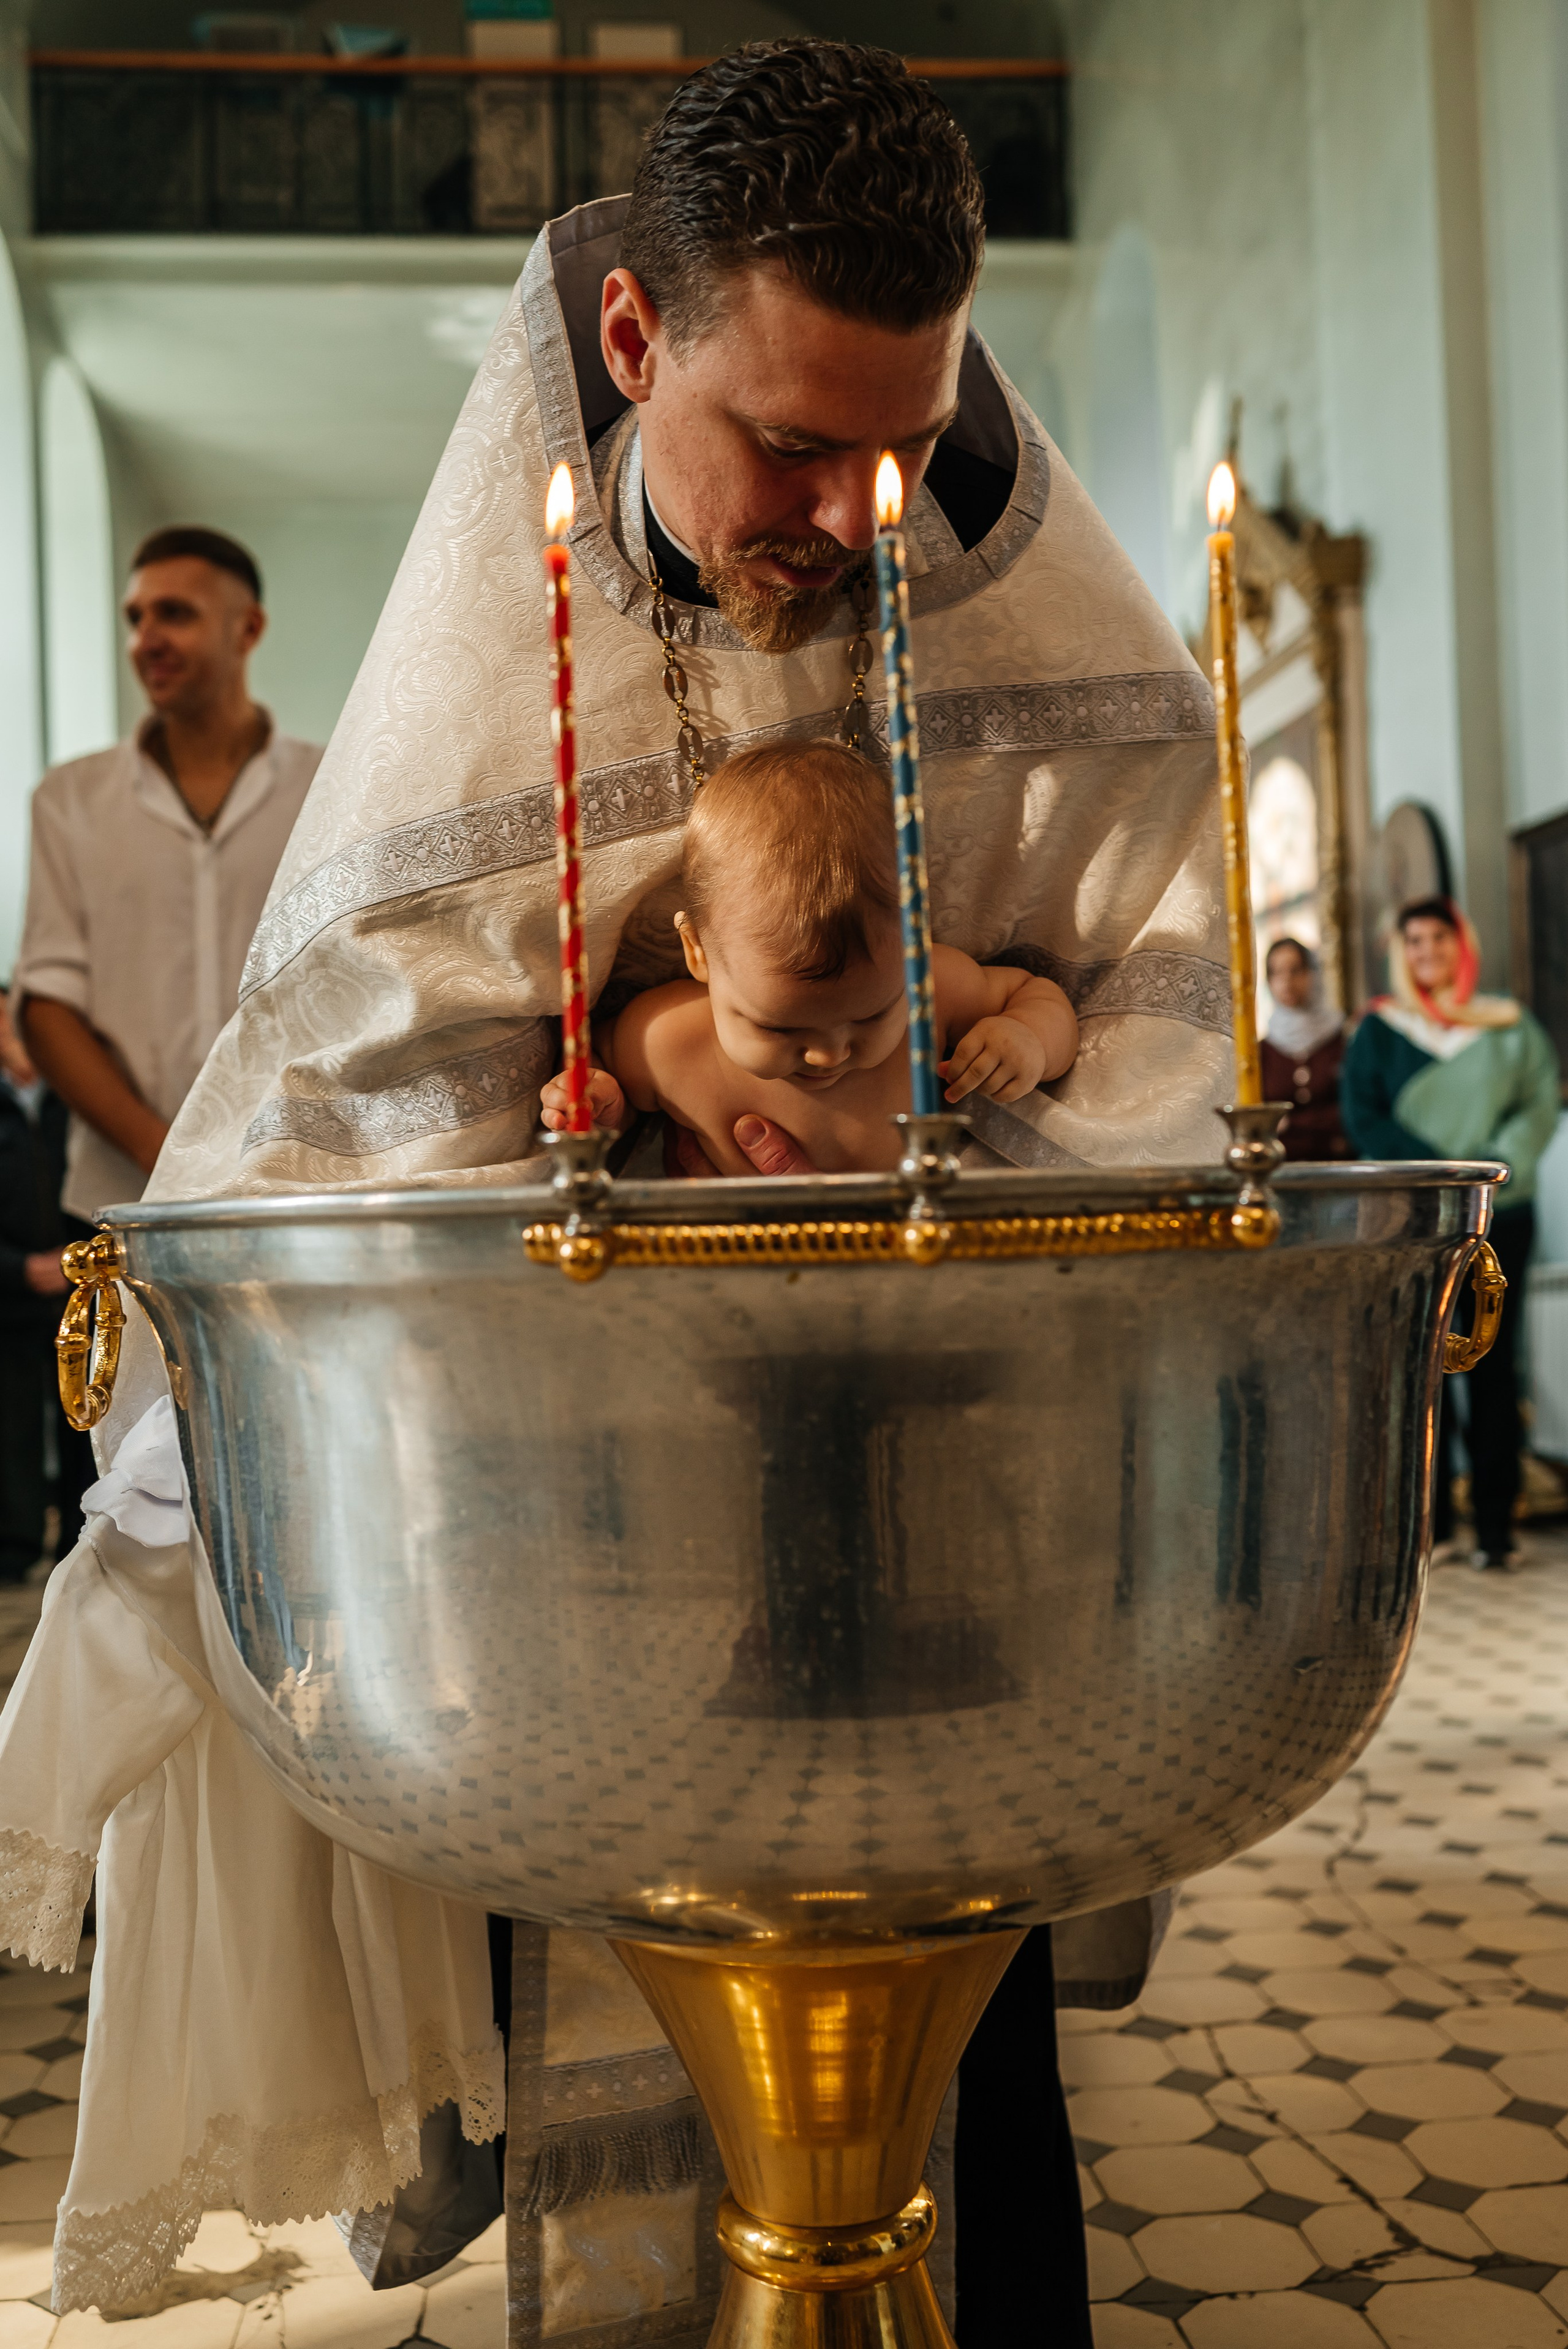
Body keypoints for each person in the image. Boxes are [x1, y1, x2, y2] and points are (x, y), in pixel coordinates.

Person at [0, 43, 1221, 2336]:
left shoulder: (1026, 613)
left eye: (902, 437)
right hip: (588, 1553)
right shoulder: (495, 657)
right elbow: (376, 1065)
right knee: (616, 2039)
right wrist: (658, 1039)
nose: (859, 510)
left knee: (977, 2118)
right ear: (637, 343)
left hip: (955, 1520)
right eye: (787, 443)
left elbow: (1158, 1042)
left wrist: (985, 1044)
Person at [541, 741, 1079, 1163]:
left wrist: (1028, 1038)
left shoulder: (930, 991)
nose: (829, 1054)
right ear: (697, 950)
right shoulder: (665, 1040)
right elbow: (605, 1081)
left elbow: (1036, 993)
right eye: (778, 1028)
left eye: (871, 1014)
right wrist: (599, 1104)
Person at [13, 527, 321, 1221]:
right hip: (120, 1199)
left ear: (248, 627)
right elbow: (48, 1002)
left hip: (294, 1184)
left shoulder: (327, 789)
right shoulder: (69, 800)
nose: (145, 638)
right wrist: (173, 1158)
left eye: (174, 613)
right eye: (135, 618)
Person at [1341, 895, 1560, 1570]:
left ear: (1461, 945)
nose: (1427, 951)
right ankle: (1432, 1527)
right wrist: (1438, 1176)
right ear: (1400, 953)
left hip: (1500, 1214)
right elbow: (1365, 1116)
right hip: (1417, 1218)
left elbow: (1537, 1104)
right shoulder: (1380, 1031)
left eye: (1439, 937)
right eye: (1414, 941)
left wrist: (1490, 1170)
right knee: (1424, 1364)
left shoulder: (1507, 1025)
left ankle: (1495, 1527)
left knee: (1495, 1362)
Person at [0, 992, 95, 1580]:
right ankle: (14, 1547)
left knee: (83, 1413)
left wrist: (69, 1260)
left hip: (77, 1287)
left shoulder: (74, 1100)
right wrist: (17, 1268)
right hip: (7, 1294)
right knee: (11, 1424)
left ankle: (82, 1543)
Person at [1260, 936, 1349, 1161]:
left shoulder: (1342, 1038)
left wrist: (1291, 1123)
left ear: (1312, 973)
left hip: (1340, 1166)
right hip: (1281, 1172)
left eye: (1295, 970)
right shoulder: (1262, 1051)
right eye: (1277, 973)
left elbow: (1353, 1109)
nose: (1286, 981)